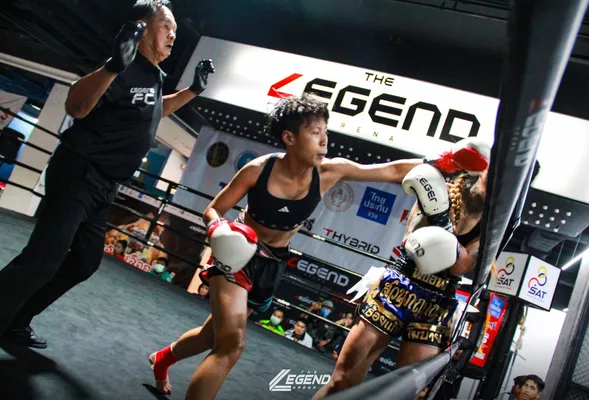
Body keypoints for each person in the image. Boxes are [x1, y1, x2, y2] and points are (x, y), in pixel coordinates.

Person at [147, 93, 489, 398]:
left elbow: (391, 171)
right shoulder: (257, 170)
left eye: (326, 131)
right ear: (289, 137)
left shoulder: (329, 172)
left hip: (272, 263)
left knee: (210, 337)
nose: (325, 140)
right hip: (238, 257)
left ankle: (162, 359)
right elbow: (214, 209)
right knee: (231, 346)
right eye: (315, 133)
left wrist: (445, 161)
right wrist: (218, 228)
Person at [0, 0, 215, 348]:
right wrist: (114, 66)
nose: (173, 35)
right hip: (79, 173)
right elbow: (76, 106)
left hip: (104, 186)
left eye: (175, 30)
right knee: (43, 259)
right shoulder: (123, 67)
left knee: (84, 262)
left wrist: (193, 91)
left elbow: (157, 110)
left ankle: (16, 320)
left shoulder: (153, 76)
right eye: (166, 26)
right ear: (142, 27)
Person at [313, 160, 492, 398]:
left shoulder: (493, 227)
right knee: (340, 381)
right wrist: (439, 218)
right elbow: (411, 241)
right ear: (485, 169)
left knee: (406, 393)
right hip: (397, 287)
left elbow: (459, 267)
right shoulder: (440, 191)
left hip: (436, 306)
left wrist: (442, 224)